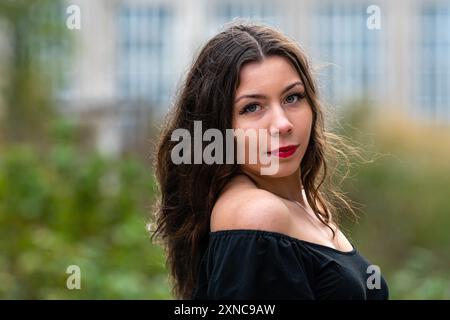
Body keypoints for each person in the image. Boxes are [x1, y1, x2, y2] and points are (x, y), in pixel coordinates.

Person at [150, 22, 389, 300]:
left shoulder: (305, 203)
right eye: (252, 107)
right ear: (218, 127)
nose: (282, 124)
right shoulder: (257, 215)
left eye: (292, 97)